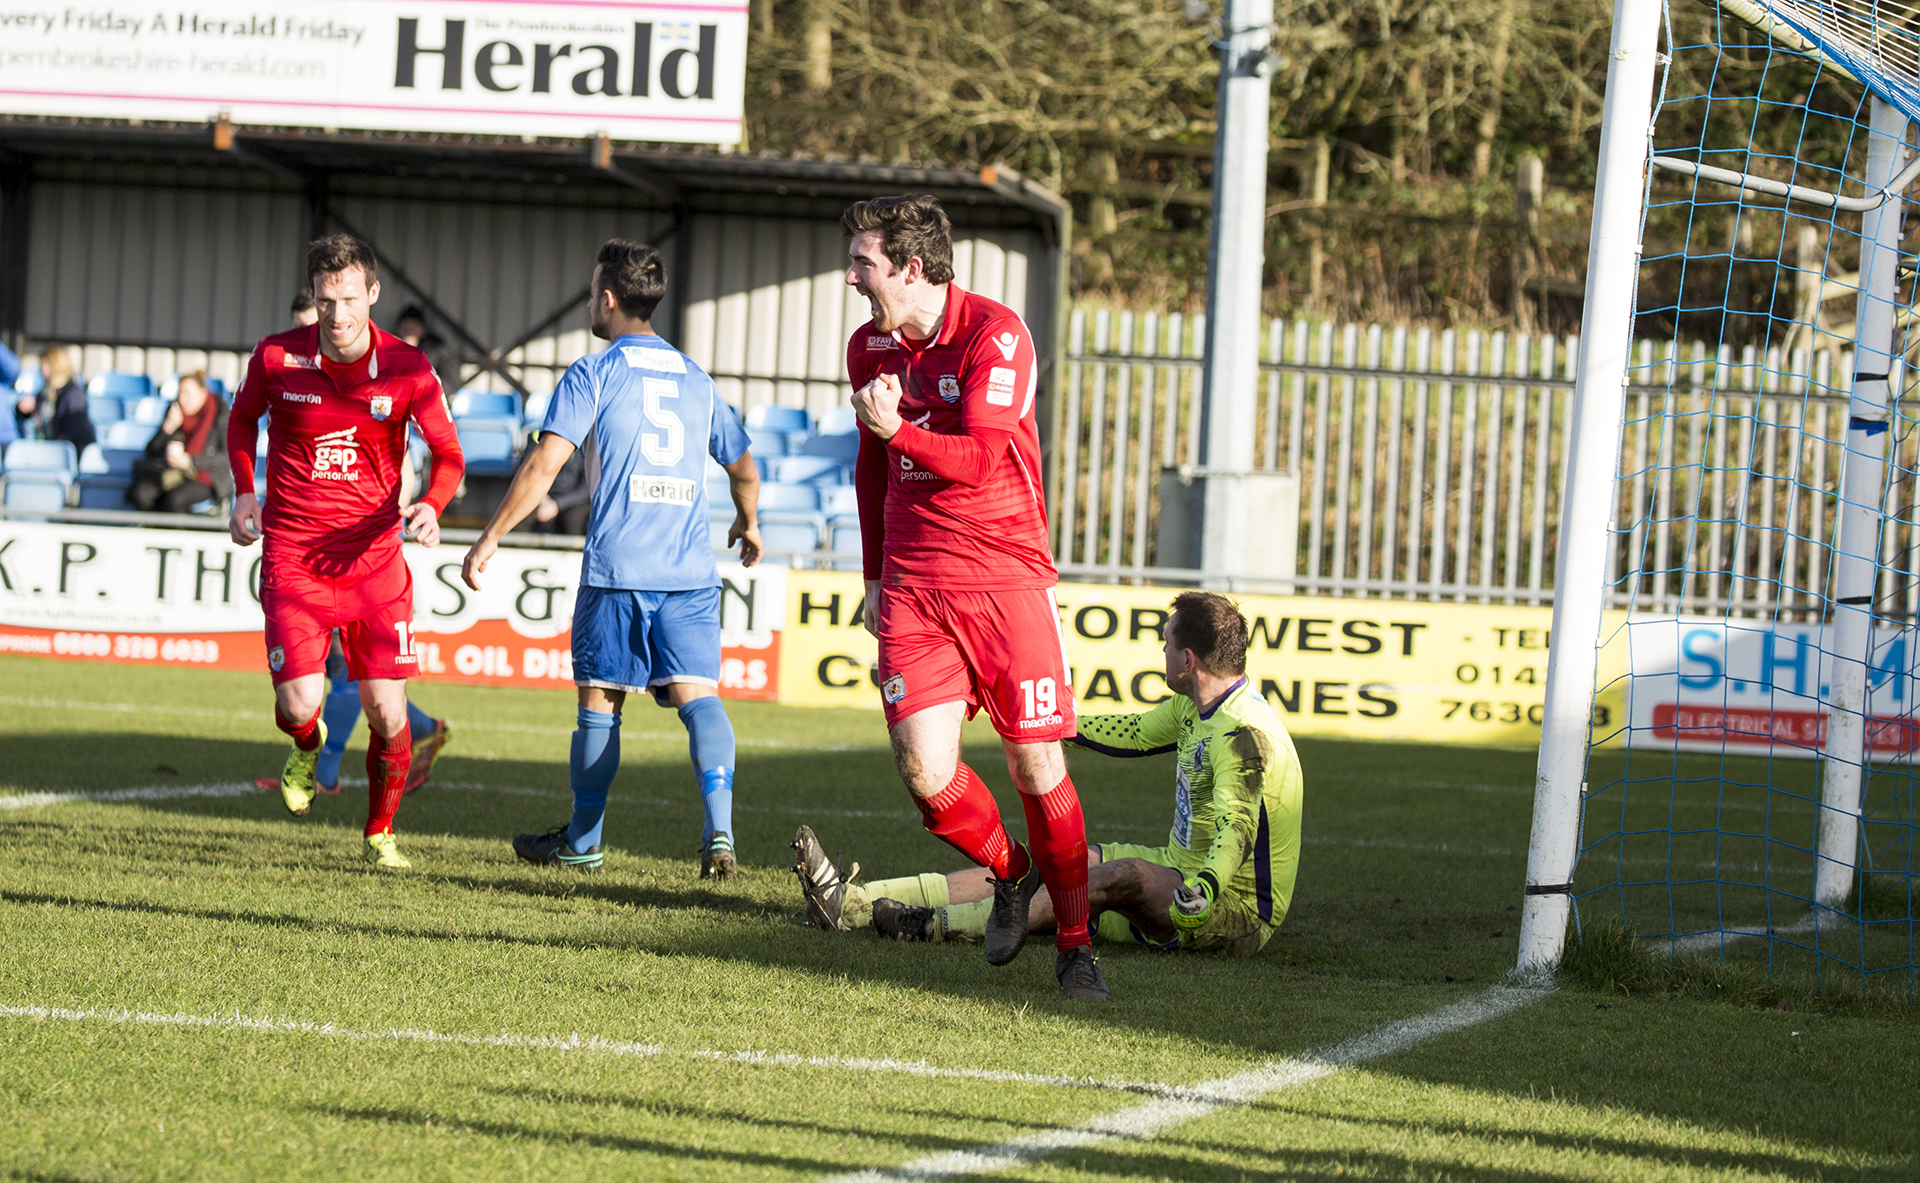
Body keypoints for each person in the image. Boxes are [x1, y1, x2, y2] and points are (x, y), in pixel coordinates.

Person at [832, 194, 1104, 1001]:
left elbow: (981, 461)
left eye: (863, 263)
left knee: (1036, 762)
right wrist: (875, 575)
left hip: (1005, 578)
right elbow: (871, 467)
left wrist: (898, 432)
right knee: (925, 772)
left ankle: (1078, 944)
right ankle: (1012, 874)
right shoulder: (868, 348)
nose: (850, 277)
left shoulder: (996, 332)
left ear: (911, 269)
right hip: (916, 585)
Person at [462, 239, 763, 880]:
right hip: (689, 575)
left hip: (618, 570)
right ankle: (721, 836)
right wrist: (750, 521)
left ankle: (584, 842)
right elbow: (743, 466)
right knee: (700, 697)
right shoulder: (697, 379)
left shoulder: (594, 372)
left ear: (608, 298)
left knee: (600, 702)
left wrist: (490, 535)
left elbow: (546, 463)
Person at [794, 592, 1304, 958]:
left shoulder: (1244, 735)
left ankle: (930, 927)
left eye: (1166, 643)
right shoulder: (1197, 707)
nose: (1162, 652)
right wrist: (1043, 721)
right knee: (1053, 862)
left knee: (1123, 874)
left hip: (1233, 909)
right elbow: (1131, 731)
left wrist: (1209, 886)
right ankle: (851, 902)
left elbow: (1238, 827)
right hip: (1179, 870)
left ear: (1188, 659)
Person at [227, 234, 464, 869]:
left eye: (350, 299)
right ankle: (306, 744)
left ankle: (379, 831)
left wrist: (432, 506)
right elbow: (241, 420)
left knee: (388, 711)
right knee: (300, 704)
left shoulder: (410, 368)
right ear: (315, 296)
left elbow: (450, 455)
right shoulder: (277, 357)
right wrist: (242, 493)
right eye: (327, 300)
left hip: (376, 565)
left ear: (373, 294)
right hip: (293, 558)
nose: (338, 315)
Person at [256, 288, 454, 800]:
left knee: (349, 673)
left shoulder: (388, 373)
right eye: (311, 319)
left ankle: (325, 770)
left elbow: (418, 461)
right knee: (342, 677)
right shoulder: (294, 365)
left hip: (365, 549)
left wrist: (413, 511)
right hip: (306, 549)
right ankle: (424, 727)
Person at [129, 371, 230, 512]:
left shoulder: (221, 414)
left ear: (202, 394)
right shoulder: (174, 411)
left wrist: (190, 462)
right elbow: (151, 450)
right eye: (180, 393)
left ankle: (180, 533)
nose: (182, 399)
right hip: (171, 473)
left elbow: (228, 456)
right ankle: (153, 530)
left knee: (175, 499)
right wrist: (167, 429)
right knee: (141, 494)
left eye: (188, 394)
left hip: (207, 476)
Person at [17, 345, 94, 449]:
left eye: (44, 364)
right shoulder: (45, 392)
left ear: (56, 365)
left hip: (70, 451)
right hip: (51, 448)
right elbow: (37, 415)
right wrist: (23, 410)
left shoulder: (74, 394)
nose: (41, 369)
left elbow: (75, 431)